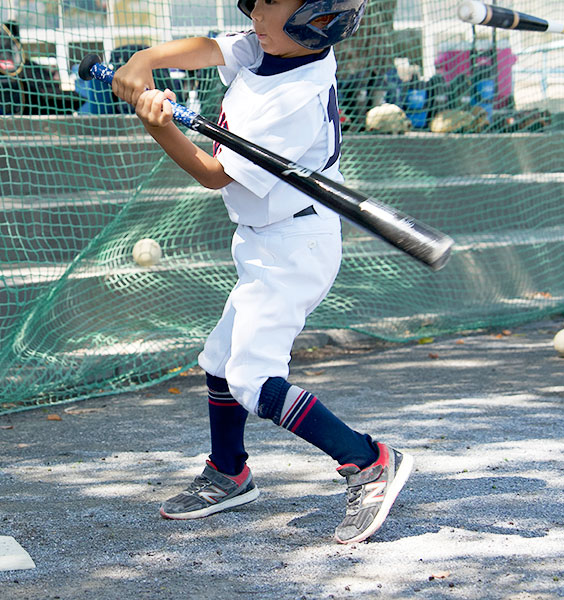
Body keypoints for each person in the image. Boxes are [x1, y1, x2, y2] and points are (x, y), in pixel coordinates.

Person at [111, 0, 412, 545]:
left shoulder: (294, 95)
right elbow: (213, 48)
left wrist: (158, 125)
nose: (258, 19)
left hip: (297, 244)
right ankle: (230, 472)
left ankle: (367, 461)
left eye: (275, 7)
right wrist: (145, 59)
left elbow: (212, 173)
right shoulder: (276, 43)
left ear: (322, 16)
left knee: (251, 376)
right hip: (265, 236)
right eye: (258, 5)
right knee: (221, 359)